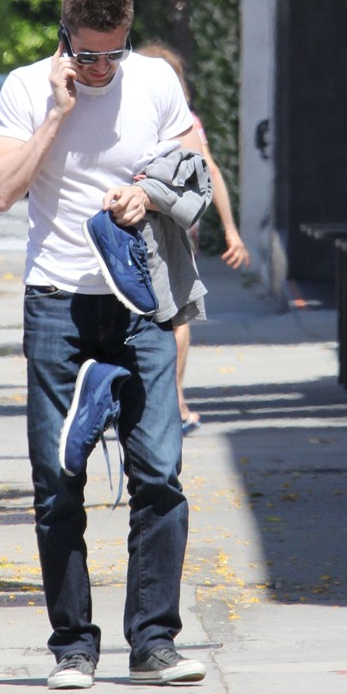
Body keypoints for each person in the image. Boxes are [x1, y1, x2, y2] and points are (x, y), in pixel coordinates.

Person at [0, 0, 208, 690]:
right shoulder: (27, 88)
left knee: (159, 475)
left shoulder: (155, 83)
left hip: (141, 302)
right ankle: (73, 647)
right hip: (58, 302)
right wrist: (57, 115)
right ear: (65, 37)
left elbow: (195, 167)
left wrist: (147, 195)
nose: (103, 69)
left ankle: (154, 643)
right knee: (58, 480)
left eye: (115, 53)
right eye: (88, 55)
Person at [137, 44, 250, 435]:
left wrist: (231, 230)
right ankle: (173, 398)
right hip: (169, 223)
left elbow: (209, 171)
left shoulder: (144, 115)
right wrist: (230, 230)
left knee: (159, 308)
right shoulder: (183, 120)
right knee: (175, 310)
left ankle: (168, 397)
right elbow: (210, 171)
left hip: (150, 221)